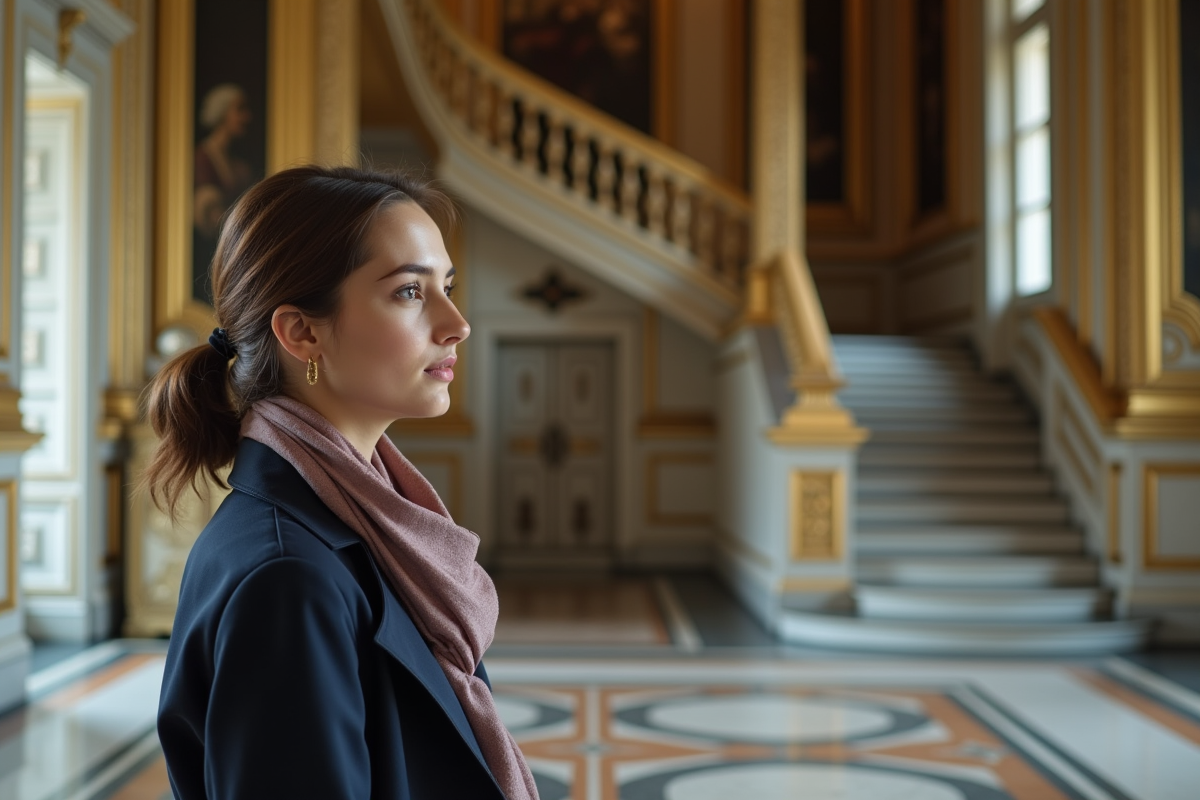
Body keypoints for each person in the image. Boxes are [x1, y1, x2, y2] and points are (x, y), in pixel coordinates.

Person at [149, 166, 539, 800]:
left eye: (447, 286)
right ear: (302, 332)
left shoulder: (369, 523)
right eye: (409, 292)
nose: (457, 323)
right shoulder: (288, 578)